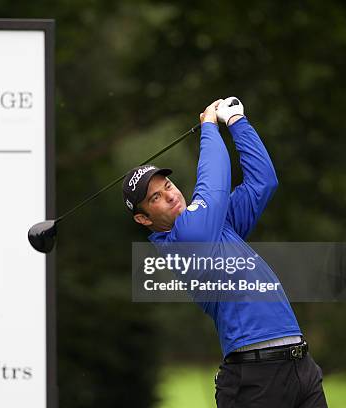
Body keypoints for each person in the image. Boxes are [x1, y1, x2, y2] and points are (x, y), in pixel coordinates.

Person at [122, 97, 328, 407]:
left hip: (301, 367)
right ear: (144, 219)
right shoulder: (187, 239)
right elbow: (214, 186)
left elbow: (263, 182)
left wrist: (238, 124)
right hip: (254, 378)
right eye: (155, 198)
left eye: (168, 186)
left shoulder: (217, 225)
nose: (170, 195)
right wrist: (209, 127)